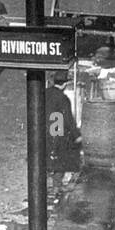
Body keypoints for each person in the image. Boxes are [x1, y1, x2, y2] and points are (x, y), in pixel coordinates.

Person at [46, 73, 82, 202]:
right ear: (65, 84)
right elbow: (68, 119)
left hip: (44, 130)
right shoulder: (63, 98)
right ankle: (56, 187)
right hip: (57, 131)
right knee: (60, 159)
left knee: (45, 157)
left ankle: (44, 186)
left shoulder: (45, 93)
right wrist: (76, 135)